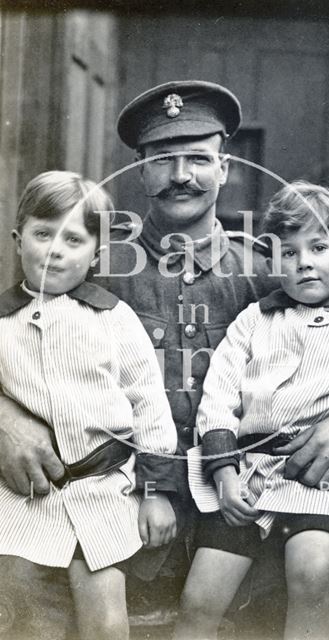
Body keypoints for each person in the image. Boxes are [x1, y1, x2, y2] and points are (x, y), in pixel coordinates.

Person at [0, 82, 329, 637]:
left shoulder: (267, 273)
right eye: (162, 160)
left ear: (224, 168)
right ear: (140, 170)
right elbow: (17, 340)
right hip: (113, 509)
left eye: (199, 160)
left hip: (245, 513)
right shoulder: (92, 263)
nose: (182, 176)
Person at [177, 181, 329, 640]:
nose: (303, 262)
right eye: (287, 253)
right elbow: (219, 398)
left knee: (311, 572)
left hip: (328, 487)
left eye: (318, 247)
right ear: (274, 263)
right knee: (200, 597)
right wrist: (224, 473)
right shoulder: (254, 321)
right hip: (248, 477)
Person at [0, 170, 177, 640]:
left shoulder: (113, 318)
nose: (54, 250)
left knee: (106, 624)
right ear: (18, 240)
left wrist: (156, 492)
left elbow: (150, 406)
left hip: (103, 491)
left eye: (73, 239)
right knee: (22, 613)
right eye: (42, 234)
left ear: (95, 253)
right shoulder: (2, 321)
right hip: (24, 500)